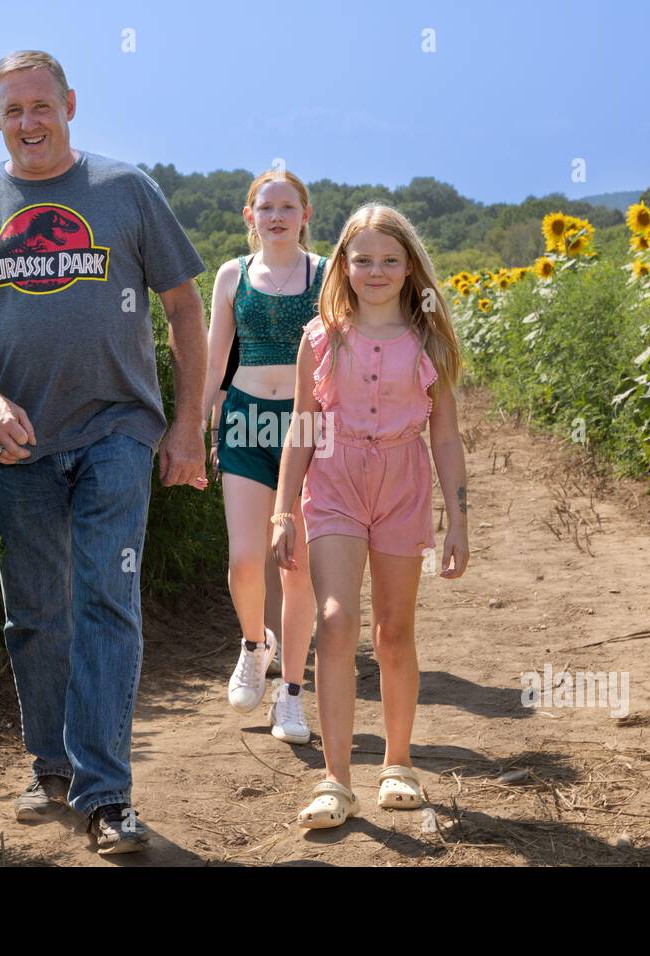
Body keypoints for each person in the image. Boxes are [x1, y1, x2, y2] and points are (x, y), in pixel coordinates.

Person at [0, 50, 208, 855]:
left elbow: (185, 307)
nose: (28, 123)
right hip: (19, 442)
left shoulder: (125, 192)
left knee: (104, 599)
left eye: (41, 106)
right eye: (12, 111)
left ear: (70, 105)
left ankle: (106, 795)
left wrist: (188, 425)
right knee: (34, 611)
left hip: (118, 426)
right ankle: (49, 763)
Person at [270, 202, 470, 829]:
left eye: (389, 259)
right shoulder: (321, 337)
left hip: (403, 486)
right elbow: (301, 429)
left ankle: (399, 763)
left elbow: (445, 436)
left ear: (410, 266)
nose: (376, 270)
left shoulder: (430, 338)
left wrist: (457, 520)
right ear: (344, 265)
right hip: (333, 483)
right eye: (363, 260)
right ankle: (334, 781)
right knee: (334, 620)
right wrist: (283, 511)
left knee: (393, 629)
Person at [202, 170, 324, 744]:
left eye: (287, 206)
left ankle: (292, 697)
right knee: (246, 560)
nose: (276, 216)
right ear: (249, 216)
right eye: (265, 207)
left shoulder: (326, 276)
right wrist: (200, 424)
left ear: (305, 214)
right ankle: (255, 644)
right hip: (245, 422)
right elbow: (216, 359)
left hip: (308, 430)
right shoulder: (231, 276)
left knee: (295, 566)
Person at [209, 332, 284, 678]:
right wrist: (214, 435)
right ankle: (259, 640)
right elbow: (222, 373)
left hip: (300, 423)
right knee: (254, 553)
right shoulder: (243, 295)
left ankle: (279, 644)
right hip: (244, 427)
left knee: (284, 546)